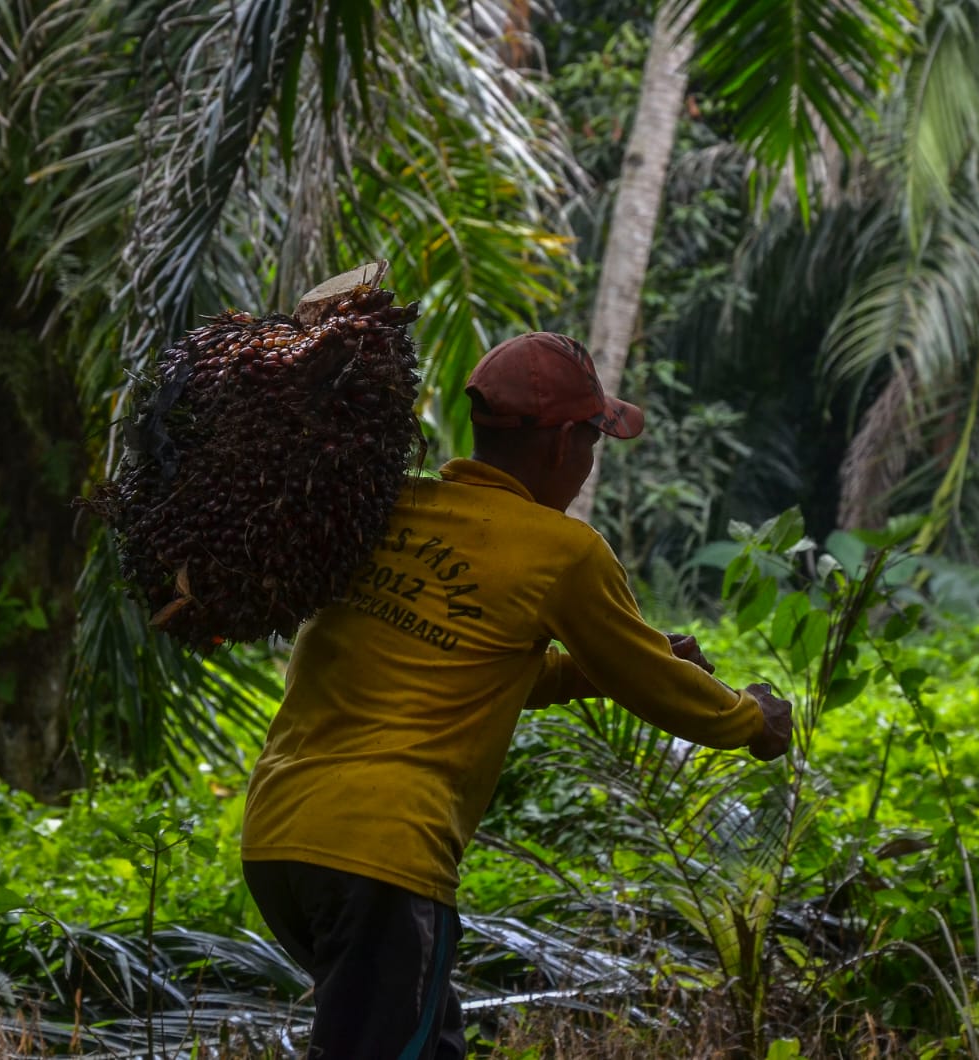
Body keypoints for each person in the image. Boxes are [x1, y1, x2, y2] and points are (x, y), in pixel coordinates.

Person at [240, 332, 794, 1059]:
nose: (590, 460)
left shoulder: (387, 508)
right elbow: (661, 688)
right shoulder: (562, 551)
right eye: (594, 441)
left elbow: (462, 661)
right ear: (565, 442)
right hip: (383, 855)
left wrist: (591, 672)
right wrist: (752, 717)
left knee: (425, 1044)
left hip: (278, 840)